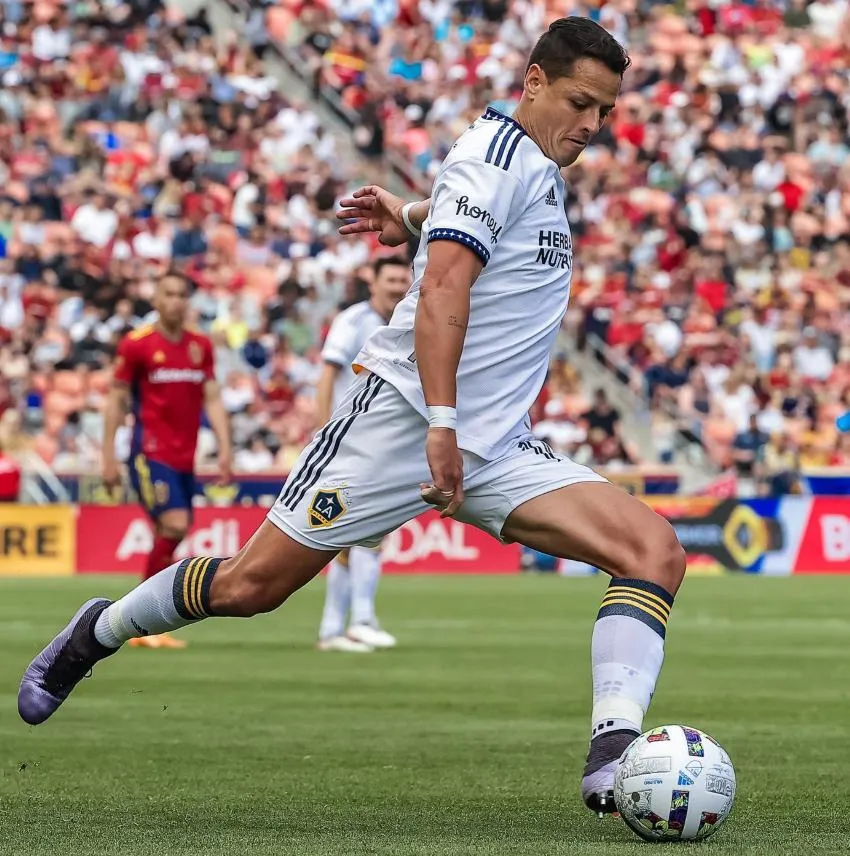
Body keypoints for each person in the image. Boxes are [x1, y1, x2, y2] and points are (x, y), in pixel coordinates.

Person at [18, 18, 685, 820]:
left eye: (605, 111)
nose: (592, 125)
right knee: (249, 588)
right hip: (402, 422)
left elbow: (466, 223)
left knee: (653, 550)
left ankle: (613, 763)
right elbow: (443, 290)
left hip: (495, 446)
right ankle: (99, 629)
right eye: (581, 101)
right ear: (534, 81)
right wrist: (440, 423)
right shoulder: (497, 156)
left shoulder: (530, 165)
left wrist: (406, 216)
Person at [101, 271, 232, 649]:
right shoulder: (137, 344)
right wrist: (107, 456)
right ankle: (139, 620)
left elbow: (212, 397)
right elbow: (115, 401)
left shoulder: (199, 346)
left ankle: (144, 620)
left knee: (175, 529)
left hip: (186, 456)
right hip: (149, 452)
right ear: (156, 300)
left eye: (181, 294)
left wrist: (225, 446)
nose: (176, 301)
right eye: (168, 294)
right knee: (174, 525)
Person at [315, 257, 411, 653]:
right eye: (389, 278)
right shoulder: (352, 321)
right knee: (342, 532)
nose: (396, 285)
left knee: (371, 531)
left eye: (402, 278)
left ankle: (353, 623)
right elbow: (326, 376)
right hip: (346, 439)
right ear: (372, 282)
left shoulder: (408, 318)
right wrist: (322, 433)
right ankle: (342, 626)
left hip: (383, 442)